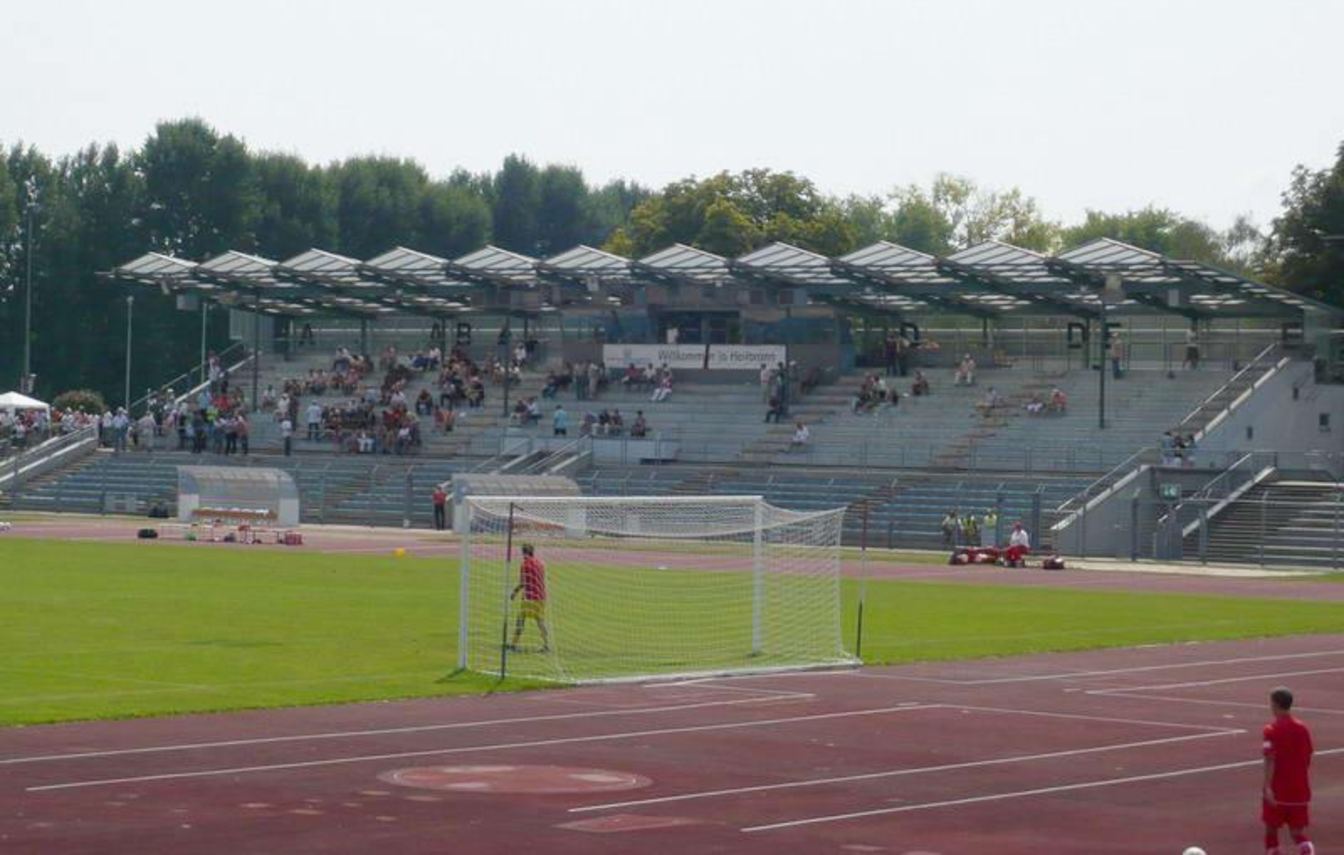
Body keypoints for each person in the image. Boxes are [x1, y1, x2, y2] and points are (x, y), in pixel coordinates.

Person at [1262, 686, 1315, 855]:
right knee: (1296, 833)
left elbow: (1270, 759)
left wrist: (1267, 786)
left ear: (1275, 704)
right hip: (1300, 790)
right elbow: (1308, 756)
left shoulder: (1270, 730)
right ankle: (1307, 850)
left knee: (1271, 829)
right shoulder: (1302, 728)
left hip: (1278, 790)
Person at [509, 544, 551, 653]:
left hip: (529, 598)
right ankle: (546, 645)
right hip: (541, 596)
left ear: (524, 553)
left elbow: (523, 582)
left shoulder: (524, 565)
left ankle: (513, 644)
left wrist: (514, 592)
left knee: (520, 619)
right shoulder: (541, 563)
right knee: (540, 621)